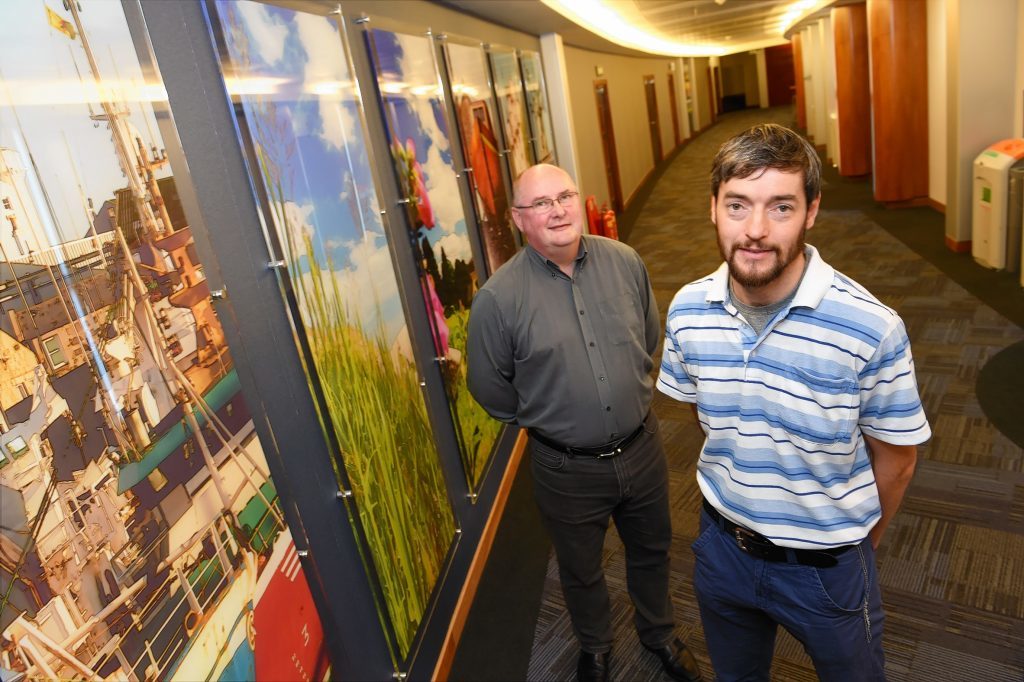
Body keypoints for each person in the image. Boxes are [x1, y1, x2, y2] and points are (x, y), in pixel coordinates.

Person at [657, 123, 931, 681]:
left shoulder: (870, 326)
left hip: (825, 568)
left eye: (780, 207)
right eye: (738, 205)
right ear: (713, 208)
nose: (754, 230)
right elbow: (704, 416)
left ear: (811, 212)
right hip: (721, 547)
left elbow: (897, 458)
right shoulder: (687, 310)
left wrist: (853, 546)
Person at [467, 163, 702, 682]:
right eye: (541, 204)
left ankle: (658, 632)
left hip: (642, 450)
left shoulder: (625, 262)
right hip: (565, 468)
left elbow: (648, 337)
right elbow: (489, 388)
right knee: (580, 568)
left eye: (564, 196)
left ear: (579, 199)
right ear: (518, 220)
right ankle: (595, 646)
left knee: (652, 550)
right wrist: (548, 417)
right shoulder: (498, 301)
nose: (557, 210)